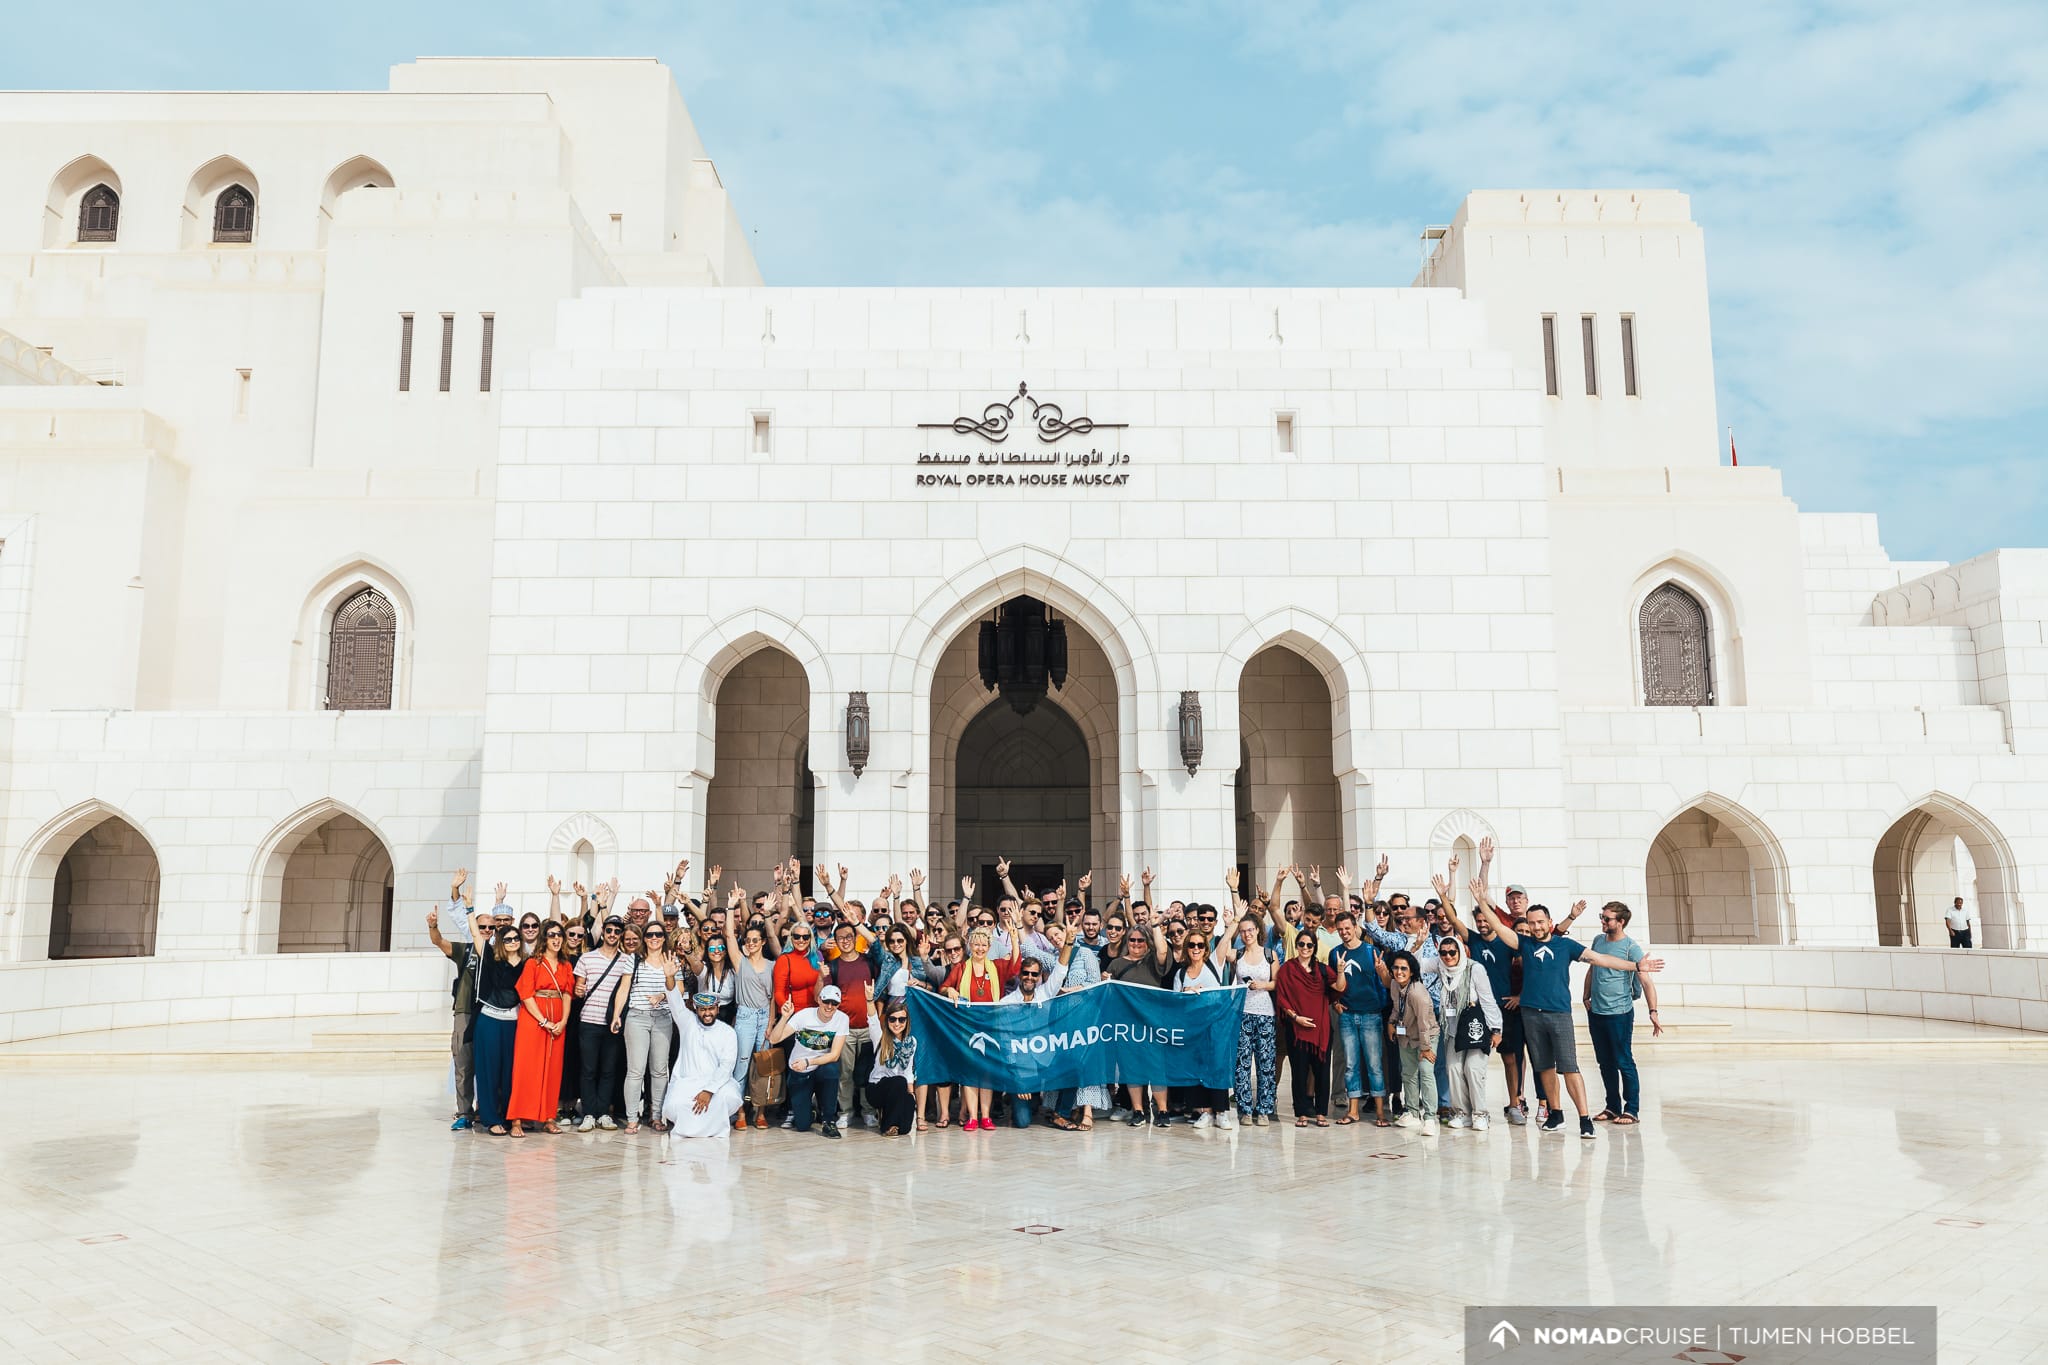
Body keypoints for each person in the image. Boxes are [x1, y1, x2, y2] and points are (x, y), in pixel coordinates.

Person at [1476, 890, 1664, 1139]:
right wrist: (1481, 901)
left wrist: (1636, 966)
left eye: (1540, 922)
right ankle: (1556, 1114)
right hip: (1531, 1015)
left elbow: (1601, 959)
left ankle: (1585, 1119)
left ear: (1550, 923)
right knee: (1544, 1067)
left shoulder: (1565, 945)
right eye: (1532, 923)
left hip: (1559, 1015)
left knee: (1569, 1067)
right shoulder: (1524, 943)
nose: (1536, 927)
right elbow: (1499, 926)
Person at [1583, 902, 1661, 1125]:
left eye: (1607, 918)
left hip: (1619, 1013)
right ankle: (1612, 1107)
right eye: (1602, 917)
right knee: (1605, 1062)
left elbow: (1646, 982)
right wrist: (1585, 995)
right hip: (1596, 1011)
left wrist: (1653, 1011)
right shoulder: (1598, 941)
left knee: (1623, 1060)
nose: (1603, 921)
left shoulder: (1630, 948)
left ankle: (1631, 1109)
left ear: (1621, 922)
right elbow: (1592, 968)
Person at [942, 915, 1022, 1132]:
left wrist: (1014, 938)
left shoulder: (996, 967)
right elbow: (944, 987)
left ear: (989, 946)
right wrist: (950, 991)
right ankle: (972, 1118)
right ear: (970, 945)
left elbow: (1015, 967)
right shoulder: (960, 968)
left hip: (991, 1026)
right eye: (976, 944)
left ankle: (985, 1117)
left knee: (986, 1073)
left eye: (983, 945)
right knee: (970, 1074)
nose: (979, 948)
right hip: (967, 1027)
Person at [508, 922, 574, 1135]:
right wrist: (543, 1021)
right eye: (551, 935)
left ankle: (548, 1116)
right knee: (526, 1067)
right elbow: (526, 994)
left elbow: (567, 994)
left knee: (553, 1068)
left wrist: (563, 1021)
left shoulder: (566, 965)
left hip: (558, 1019)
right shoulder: (533, 963)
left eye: (559, 935)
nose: (556, 939)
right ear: (544, 938)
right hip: (534, 1019)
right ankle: (517, 1119)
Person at [1105, 924, 1174, 1126]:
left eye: (1140, 940)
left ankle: (1162, 1111)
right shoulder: (1116, 964)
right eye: (1132, 940)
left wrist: (1155, 925)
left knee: (1157, 1068)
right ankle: (1138, 1111)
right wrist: (1105, 980)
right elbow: (1108, 994)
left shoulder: (1153, 961)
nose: (1136, 944)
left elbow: (1163, 951)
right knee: (1131, 1069)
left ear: (1147, 942)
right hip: (1127, 1026)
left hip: (1152, 1023)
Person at [1326, 909, 1390, 1127]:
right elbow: (1332, 986)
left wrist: (1382, 971)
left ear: (1355, 927)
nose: (1344, 932)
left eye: (1347, 928)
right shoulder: (1335, 954)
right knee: (1351, 1064)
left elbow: (1386, 983)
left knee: (1374, 1065)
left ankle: (1380, 1112)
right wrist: (1335, 1002)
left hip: (1371, 1015)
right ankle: (1352, 1111)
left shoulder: (1371, 951)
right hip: (1347, 1015)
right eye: (1340, 929)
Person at [613, 921, 678, 1135]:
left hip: (663, 1018)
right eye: (650, 934)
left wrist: (663, 993)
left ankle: (656, 1116)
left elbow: (678, 989)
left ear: (664, 937)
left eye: (658, 934)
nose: (654, 938)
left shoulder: (671, 959)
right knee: (635, 1071)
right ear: (644, 938)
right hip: (637, 1017)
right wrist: (616, 1015)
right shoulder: (634, 959)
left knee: (659, 1070)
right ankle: (632, 1119)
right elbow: (624, 989)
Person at [426, 869, 477, 1131]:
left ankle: (490, 1110)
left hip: (493, 1014)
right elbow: (442, 938)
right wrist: (433, 925)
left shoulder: (503, 950)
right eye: (483, 926)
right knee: (463, 1063)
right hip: (466, 1011)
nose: (487, 930)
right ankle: (465, 1112)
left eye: (492, 927)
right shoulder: (466, 949)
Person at [657, 989, 741, 1146]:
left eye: (711, 1009)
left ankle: (713, 1129)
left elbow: (727, 1066)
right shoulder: (687, 1022)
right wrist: (669, 978)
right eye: (702, 1009)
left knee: (730, 1097)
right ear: (696, 1009)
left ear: (717, 1008)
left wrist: (709, 1091)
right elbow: (675, 1001)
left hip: (716, 1081)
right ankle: (688, 1129)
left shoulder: (728, 1032)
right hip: (687, 1081)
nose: (707, 1013)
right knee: (674, 1105)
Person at [1436, 932, 1501, 1130]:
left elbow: (1488, 999)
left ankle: (1481, 1114)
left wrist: (1496, 1029)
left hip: (1475, 1029)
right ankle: (1461, 1113)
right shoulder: (1441, 968)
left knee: (1473, 1068)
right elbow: (1418, 964)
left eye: (1452, 952)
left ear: (1461, 952)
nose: (1448, 956)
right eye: (1443, 952)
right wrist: (1417, 944)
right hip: (1453, 1030)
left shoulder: (1475, 969)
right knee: (1453, 1069)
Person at [1275, 928, 1338, 1127]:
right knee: (1299, 1072)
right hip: (1297, 1029)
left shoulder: (1323, 970)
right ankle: (1301, 1113)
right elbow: (1282, 998)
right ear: (1296, 946)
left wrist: (1341, 971)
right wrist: (1296, 1018)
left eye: (1309, 945)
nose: (1305, 948)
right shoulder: (1287, 969)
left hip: (1321, 1030)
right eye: (1301, 944)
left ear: (1314, 947)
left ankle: (1321, 1113)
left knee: (1322, 1072)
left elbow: (1340, 988)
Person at [572, 914, 630, 1131]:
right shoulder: (586, 958)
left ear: (621, 934)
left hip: (612, 1022)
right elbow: (579, 988)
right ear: (603, 932)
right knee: (588, 1069)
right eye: (609, 930)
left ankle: (604, 1112)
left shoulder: (627, 960)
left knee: (609, 1070)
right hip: (589, 1020)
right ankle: (589, 1113)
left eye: (617, 931)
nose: (613, 934)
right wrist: (578, 990)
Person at [1222, 913, 1280, 1126]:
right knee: (1242, 1064)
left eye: (1250, 930)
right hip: (1242, 1013)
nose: (1247, 934)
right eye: (1243, 931)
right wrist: (1231, 924)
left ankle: (1264, 1109)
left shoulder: (1269, 954)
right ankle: (1245, 1109)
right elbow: (1221, 951)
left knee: (1266, 1063)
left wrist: (1262, 985)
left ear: (1258, 931)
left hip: (1265, 1013)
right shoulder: (1237, 954)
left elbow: (1277, 982)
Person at [469, 911, 524, 1138]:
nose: (512, 942)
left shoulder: (527, 963)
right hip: (490, 1019)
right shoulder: (492, 957)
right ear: (501, 941)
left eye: (516, 938)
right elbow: (475, 934)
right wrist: (469, 910)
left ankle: (511, 1117)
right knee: (489, 1071)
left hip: (514, 1022)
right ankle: (491, 1119)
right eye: (507, 939)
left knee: (510, 1073)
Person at [1169, 931, 1231, 1129]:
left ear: (1206, 949)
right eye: (1192, 945)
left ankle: (1221, 1112)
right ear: (1187, 948)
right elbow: (1174, 1002)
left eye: (1200, 945)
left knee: (1217, 1068)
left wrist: (1235, 921)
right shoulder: (1181, 974)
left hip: (1214, 1028)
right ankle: (1205, 1111)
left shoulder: (1214, 964)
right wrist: (1184, 992)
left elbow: (1227, 939)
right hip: (1192, 1030)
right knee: (1196, 1070)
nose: (1196, 949)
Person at [771, 984, 849, 1138]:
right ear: (819, 1000)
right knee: (802, 1125)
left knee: (832, 1069)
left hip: (819, 1067)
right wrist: (785, 1017)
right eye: (826, 1001)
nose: (829, 1006)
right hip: (799, 1071)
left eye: (834, 1003)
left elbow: (834, 1055)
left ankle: (829, 1121)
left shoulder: (842, 1019)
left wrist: (808, 1062)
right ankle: (811, 1110)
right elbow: (774, 1039)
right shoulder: (804, 1015)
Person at [1000, 952, 1068, 1128]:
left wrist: (1069, 942)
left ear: (1039, 977)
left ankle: (1061, 1113)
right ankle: (1016, 1097)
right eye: (1026, 973)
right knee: (1022, 1122)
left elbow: (1060, 971)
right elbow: (1006, 1044)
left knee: (1074, 1067)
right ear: (1019, 974)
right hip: (1022, 1065)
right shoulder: (1006, 1003)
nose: (1029, 977)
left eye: (1034, 974)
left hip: (1045, 1058)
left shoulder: (1045, 993)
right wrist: (1018, 1080)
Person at [827, 920, 877, 1130]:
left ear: (856, 938)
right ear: (836, 941)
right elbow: (826, 997)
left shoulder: (869, 963)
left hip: (868, 1027)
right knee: (845, 1073)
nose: (845, 941)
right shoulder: (833, 966)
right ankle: (845, 1112)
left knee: (867, 1073)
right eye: (840, 938)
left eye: (849, 937)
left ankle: (868, 1110)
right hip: (845, 1030)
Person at [1385, 950, 1439, 1136]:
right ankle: (1413, 1112)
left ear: (1412, 971)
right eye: (1396, 968)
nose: (1399, 972)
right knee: (1408, 1074)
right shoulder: (1394, 984)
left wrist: (1426, 1048)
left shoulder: (1417, 993)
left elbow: (1424, 1024)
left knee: (1426, 1073)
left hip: (1426, 1036)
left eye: (1404, 968)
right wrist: (1391, 1022)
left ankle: (1430, 1118)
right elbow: (1396, 1007)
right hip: (1406, 1036)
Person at [864, 987, 918, 1137]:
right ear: (887, 1021)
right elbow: (872, 1020)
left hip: (899, 1088)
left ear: (907, 1021)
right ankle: (888, 1126)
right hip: (876, 1088)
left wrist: (911, 1095)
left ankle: (893, 1119)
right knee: (899, 1082)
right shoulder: (880, 1037)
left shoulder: (911, 1042)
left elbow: (908, 1071)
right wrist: (870, 1000)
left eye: (901, 1019)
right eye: (892, 1019)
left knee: (905, 1128)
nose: (897, 1023)